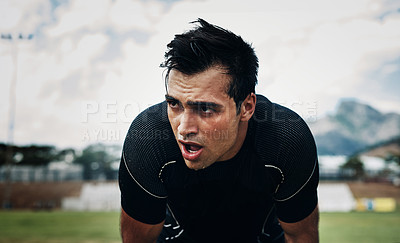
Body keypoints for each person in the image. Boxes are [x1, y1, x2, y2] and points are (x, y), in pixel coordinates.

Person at [119, 18, 319, 243]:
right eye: (175, 103)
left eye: (205, 108)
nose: (184, 128)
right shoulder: (147, 139)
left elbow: (300, 236)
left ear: (246, 107)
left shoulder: (286, 140)